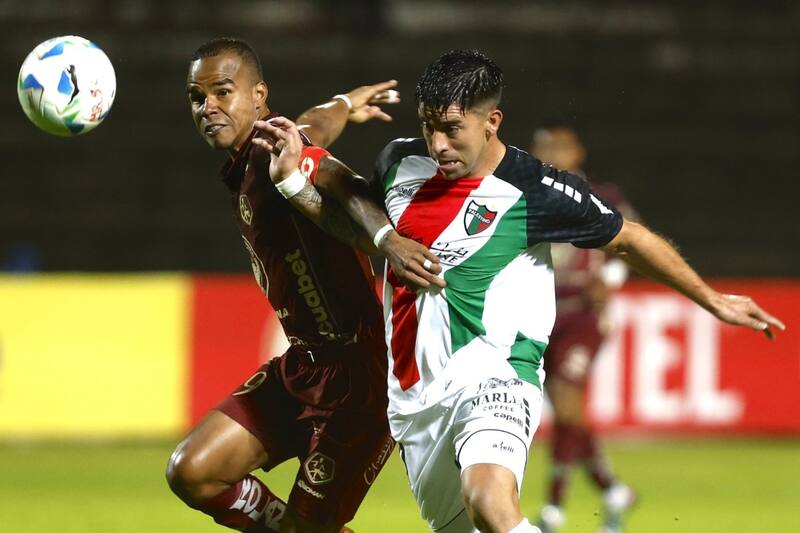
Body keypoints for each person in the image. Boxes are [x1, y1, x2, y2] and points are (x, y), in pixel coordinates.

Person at [255, 49, 784, 533]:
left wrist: (712, 299)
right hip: (414, 400)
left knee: (491, 500)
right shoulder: (400, 161)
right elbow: (364, 226)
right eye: (429, 127)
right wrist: (301, 185)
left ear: (493, 122)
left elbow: (630, 239)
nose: (439, 144)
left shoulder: (535, 190)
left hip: (497, 375)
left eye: (453, 129)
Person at [166, 37, 443, 533]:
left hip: (359, 376)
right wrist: (345, 104)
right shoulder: (267, 145)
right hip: (303, 364)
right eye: (196, 97)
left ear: (258, 96)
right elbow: (316, 121)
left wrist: (389, 241)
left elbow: (338, 181)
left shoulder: (273, 156)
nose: (207, 107)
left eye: (222, 92)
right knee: (194, 471)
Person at [530, 124, 637, 533]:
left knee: (566, 400)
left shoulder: (605, 196)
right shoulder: (526, 194)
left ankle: (553, 508)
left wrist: (609, 281)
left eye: (561, 147)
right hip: (539, 313)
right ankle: (612, 490)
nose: (553, 154)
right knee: (566, 411)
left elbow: (633, 243)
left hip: (581, 316)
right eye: (545, 148)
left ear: (578, 153)